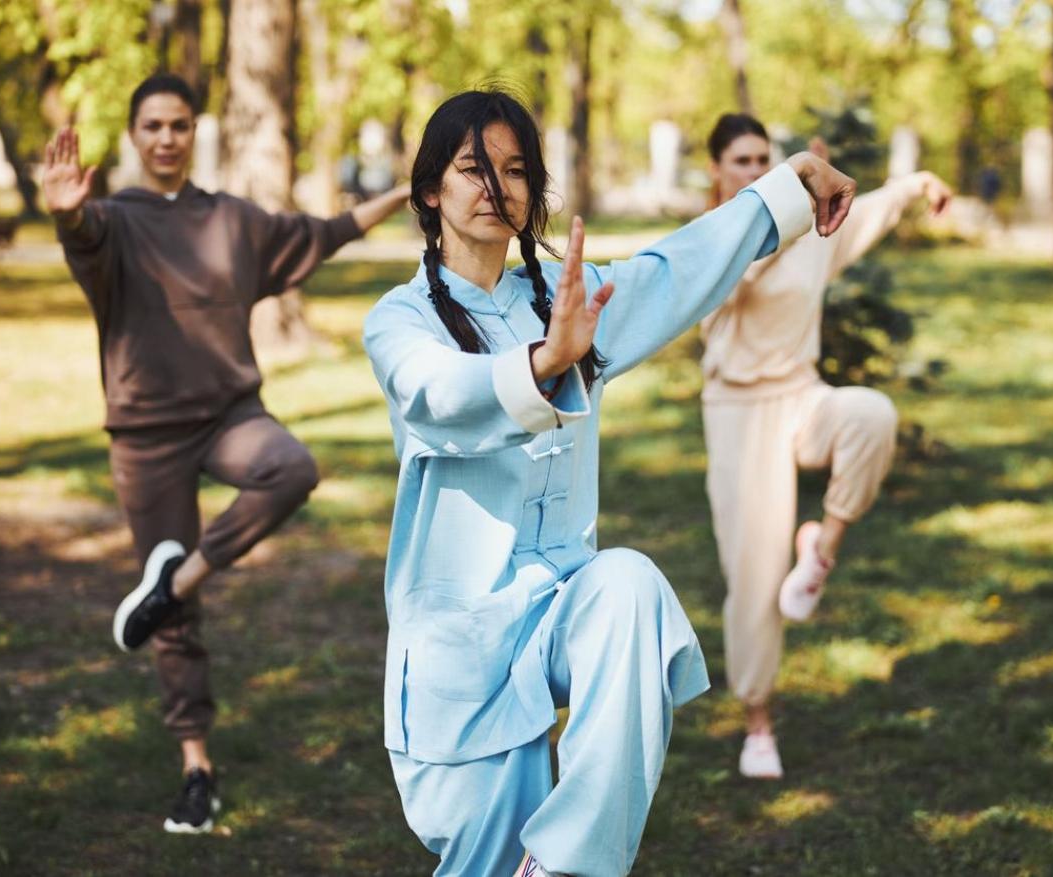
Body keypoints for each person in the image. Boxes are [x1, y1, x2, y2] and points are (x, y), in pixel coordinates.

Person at [362, 89, 854, 877]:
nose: (497, 186)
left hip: (559, 615)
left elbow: (676, 270)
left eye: (516, 169)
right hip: (461, 663)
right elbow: (437, 393)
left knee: (630, 583)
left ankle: (567, 864)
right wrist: (543, 364)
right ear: (430, 190)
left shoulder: (565, 304)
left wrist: (786, 185)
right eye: (472, 168)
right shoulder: (401, 320)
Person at [42, 73, 410, 834]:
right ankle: (197, 770)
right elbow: (83, 240)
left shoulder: (233, 221)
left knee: (291, 469)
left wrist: (403, 193)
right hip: (147, 436)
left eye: (179, 124)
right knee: (176, 625)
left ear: (194, 132)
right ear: (136, 136)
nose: (167, 138)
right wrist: (67, 216)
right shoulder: (110, 221)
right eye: (152, 126)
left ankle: (175, 577)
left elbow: (325, 232)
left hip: (230, 416)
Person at [698, 113, 952, 780]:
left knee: (871, 414)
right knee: (751, 579)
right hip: (737, 412)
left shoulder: (809, 231)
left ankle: (820, 550)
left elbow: (864, 212)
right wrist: (784, 202)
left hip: (801, 397)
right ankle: (758, 720)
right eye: (742, 162)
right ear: (718, 171)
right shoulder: (713, 241)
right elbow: (736, 279)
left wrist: (916, 183)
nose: (755, 171)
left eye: (764, 160)